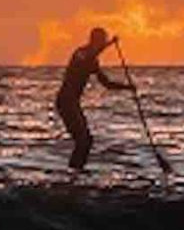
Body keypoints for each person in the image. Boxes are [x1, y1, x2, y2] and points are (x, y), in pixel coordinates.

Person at [55, 27, 133, 170]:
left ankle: (76, 170)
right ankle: (73, 171)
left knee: (87, 140)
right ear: (94, 40)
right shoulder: (80, 53)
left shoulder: (93, 61)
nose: (102, 44)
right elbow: (89, 55)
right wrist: (109, 44)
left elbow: (106, 83)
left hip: (73, 103)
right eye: (101, 41)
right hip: (65, 101)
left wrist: (127, 87)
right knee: (82, 140)